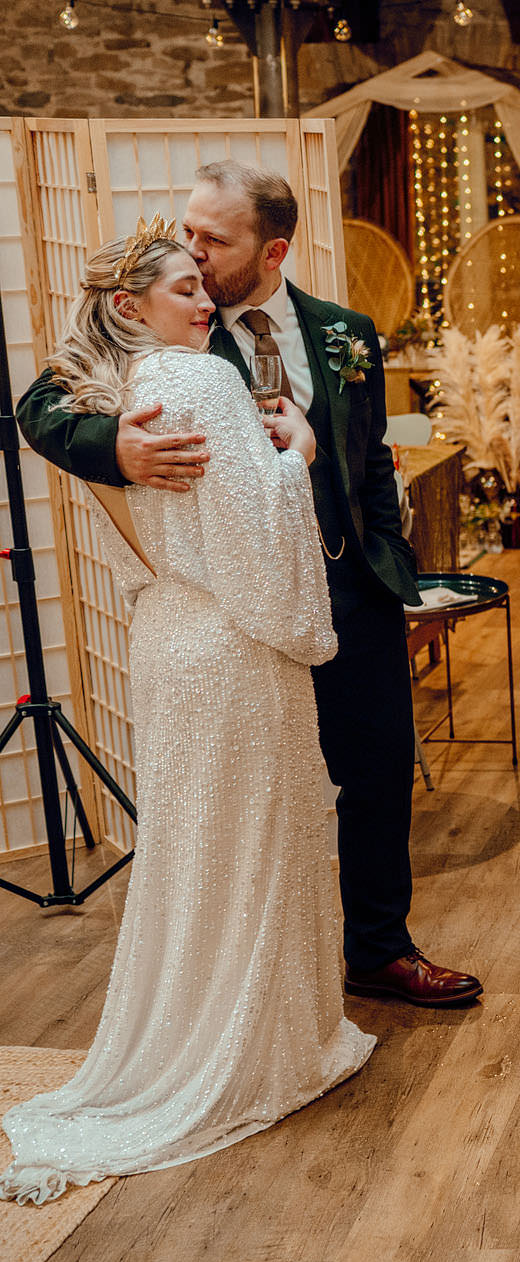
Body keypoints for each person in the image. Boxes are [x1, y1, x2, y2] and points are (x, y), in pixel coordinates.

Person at [16, 161, 480, 1005]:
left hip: (353, 592)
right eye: (189, 230)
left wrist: (389, 560)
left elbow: (371, 457)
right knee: (266, 795)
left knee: (375, 776)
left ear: (273, 249)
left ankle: (380, 949)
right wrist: (111, 448)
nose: (189, 247)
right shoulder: (169, 336)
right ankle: (266, 976)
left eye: (212, 239)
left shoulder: (344, 332)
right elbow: (38, 404)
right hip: (243, 609)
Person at [0, 225, 373, 1203]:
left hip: (166, 638)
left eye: (203, 282)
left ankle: (206, 1035)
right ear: (131, 305)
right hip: (235, 652)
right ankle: (267, 1052)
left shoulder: (115, 389)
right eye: (182, 286)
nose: (204, 299)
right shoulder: (199, 382)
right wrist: (292, 458)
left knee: (197, 856)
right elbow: (257, 552)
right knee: (257, 849)